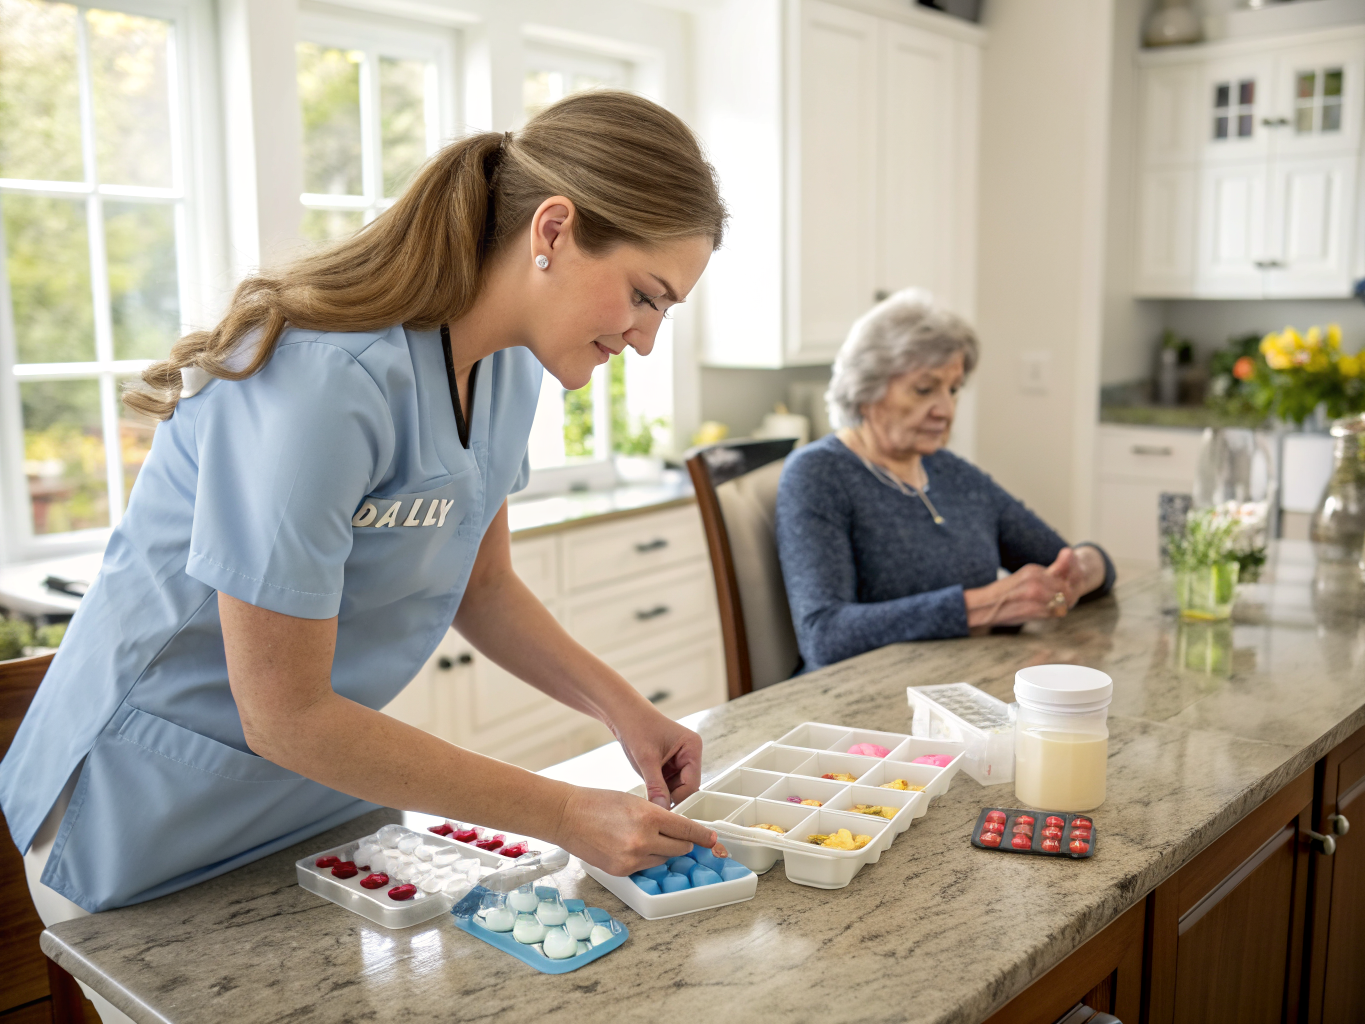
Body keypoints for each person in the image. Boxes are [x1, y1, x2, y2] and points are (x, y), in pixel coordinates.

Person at [2, 92, 729, 986]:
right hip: (135, 812)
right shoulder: (315, 375)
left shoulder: (509, 370)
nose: (648, 339)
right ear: (552, 230)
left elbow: (482, 586)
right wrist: (563, 812)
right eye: (644, 296)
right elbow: (285, 712)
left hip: (305, 799)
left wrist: (629, 711)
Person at [775, 289, 1114, 672]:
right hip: (861, 708)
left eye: (953, 390)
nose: (946, 409)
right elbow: (825, 635)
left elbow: (1062, 560)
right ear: (866, 388)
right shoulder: (818, 473)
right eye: (925, 389)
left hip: (964, 690)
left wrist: (1084, 567)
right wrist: (984, 606)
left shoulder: (949, 470)